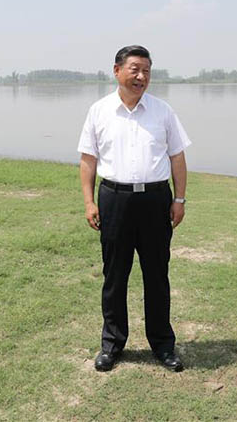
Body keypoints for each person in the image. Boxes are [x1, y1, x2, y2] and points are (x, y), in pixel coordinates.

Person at [78, 45, 190, 372]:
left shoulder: (163, 111)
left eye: (146, 71)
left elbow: (177, 158)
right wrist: (89, 201)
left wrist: (179, 199)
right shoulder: (99, 111)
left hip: (156, 201)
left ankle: (163, 346)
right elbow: (88, 160)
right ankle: (112, 344)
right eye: (135, 69)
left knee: (157, 275)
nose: (141, 77)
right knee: (115, 276)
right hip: (114, 199)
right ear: (117, 71)